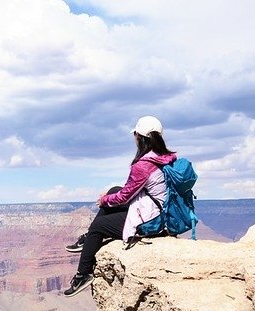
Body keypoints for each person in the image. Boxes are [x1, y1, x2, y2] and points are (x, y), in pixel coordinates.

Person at [63, 115, 177, 297]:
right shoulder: (167, 157)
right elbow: (128, 190)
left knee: (98, 226)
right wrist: (110, 196)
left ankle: (83, 274)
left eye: (135, 135)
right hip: (163, 210)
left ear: (140, 138)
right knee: (114, 190)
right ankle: (89, 240)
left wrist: (104, 201)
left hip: (152, 220)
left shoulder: (144, 165)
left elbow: (124, 197)